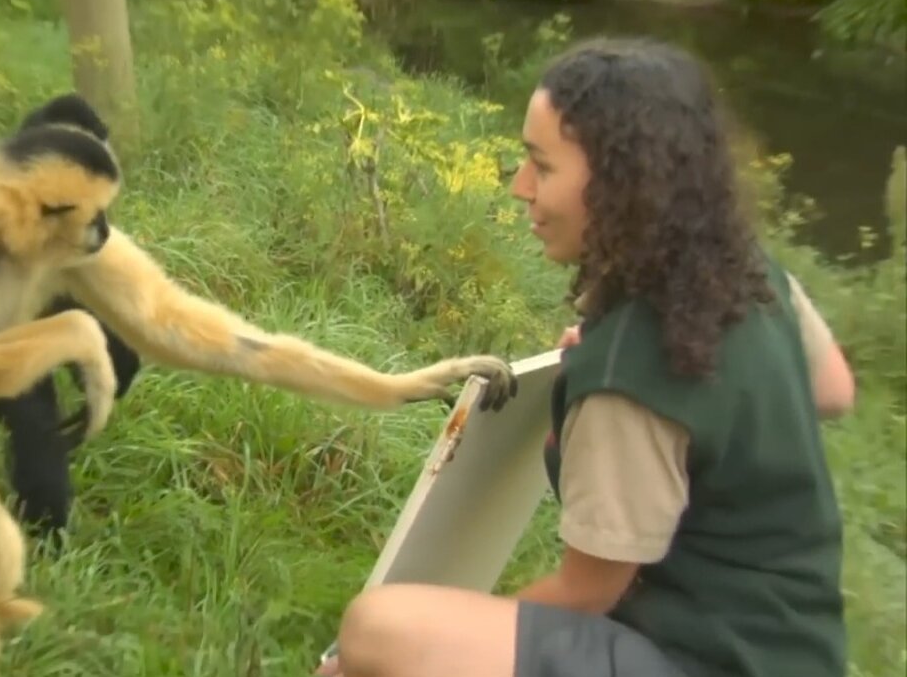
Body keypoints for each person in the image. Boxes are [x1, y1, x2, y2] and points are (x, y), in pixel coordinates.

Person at [315, 36, 857, 677]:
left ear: (625, 184)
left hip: (704, 660)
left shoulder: (631, 375)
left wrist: (442, 647)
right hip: (797, 652)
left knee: (378, 632)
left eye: (541, 167)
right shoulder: (749, 276)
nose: (520, 188)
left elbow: (587, 593)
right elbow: (834, 390)